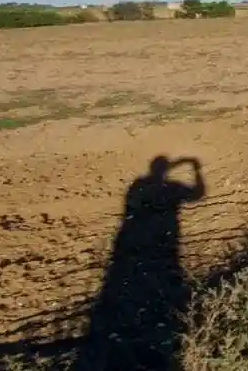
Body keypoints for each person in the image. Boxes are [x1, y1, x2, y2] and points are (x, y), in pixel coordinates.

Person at [77, 156, 206, 370]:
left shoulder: (138, 185)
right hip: (164, 241)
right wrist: (196, 169)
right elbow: (198, 194)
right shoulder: (168, 186)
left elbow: (131, 206)